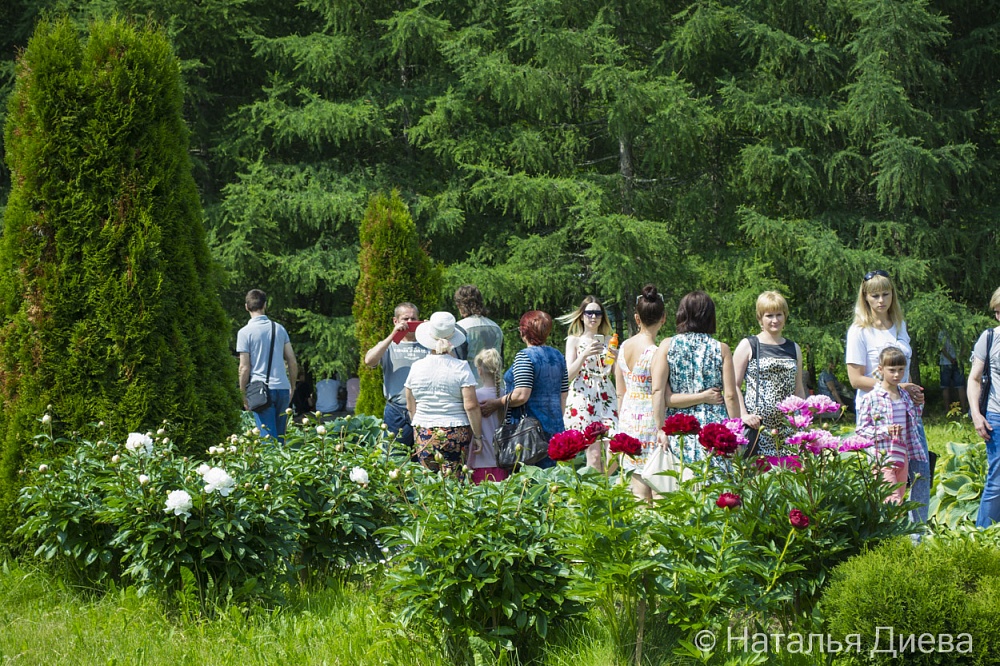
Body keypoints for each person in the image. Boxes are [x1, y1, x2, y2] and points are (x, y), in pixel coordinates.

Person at [845, 269, 929, 523]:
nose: (881, 300)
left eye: (886, 294)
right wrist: (899, 387)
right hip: (878, 413)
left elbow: (901, 369)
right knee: (885, 475)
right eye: (875, 296)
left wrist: (910, 389)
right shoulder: (859, 330)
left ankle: (918, 532)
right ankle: (884, 530)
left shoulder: (900, 325)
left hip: (906, 410)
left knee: (919, 469)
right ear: (866, 298)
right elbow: (856, 379)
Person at [653, 290, 741, 463]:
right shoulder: (721, 349)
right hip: (714, 428)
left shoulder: (667, 345)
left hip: (679, 427)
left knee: (681, 481)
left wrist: (660, 429)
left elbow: (657, 391)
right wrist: (735, 431)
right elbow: (730, 396)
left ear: (681, 315)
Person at [481, 311, 569, 468]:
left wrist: (496, 403)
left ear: (523, 331)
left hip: (529, 434)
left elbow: (521, 395)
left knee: (529, 483)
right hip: (555, 430)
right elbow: (563, 396)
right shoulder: (558, 356)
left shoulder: (525, 356)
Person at [404, 312, 483, 479]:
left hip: (424, 429)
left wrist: (417, 426)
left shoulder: (417, 367)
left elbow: (410, 405)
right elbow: (471, 406)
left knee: (429, 481)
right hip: (455, 429)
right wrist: (477, 435)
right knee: (455, 482)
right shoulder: (461, 367)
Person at [733, 291, 806, 455]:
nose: (775, 320)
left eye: (779, 314)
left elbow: (799, 389)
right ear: (760, 318)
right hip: (758, 430)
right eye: (769, 315)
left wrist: (801, 420)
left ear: (785, 316)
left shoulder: (794, 349)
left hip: (788, 431)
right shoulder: (748, 345)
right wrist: (743, 415)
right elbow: (733, 385)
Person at [856, 347, 927, 505]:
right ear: (881, 369)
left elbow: (914, 420)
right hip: (882, 457)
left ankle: (893, 529)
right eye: (892, 370)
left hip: (902, 455)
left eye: (901, 370)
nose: (896, 375)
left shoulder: (905, 396)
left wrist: (919, 403)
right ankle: (894, 528)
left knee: (899, 498)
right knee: (893, 502)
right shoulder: (871, 398)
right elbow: (861, 430)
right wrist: (884, 430)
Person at [615, 285, 666, 499]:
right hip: (650, 422)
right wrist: (661, 427)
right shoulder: (656, 352)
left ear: (637, 318)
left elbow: (620, 391)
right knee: (658, 483)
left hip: (627, 419)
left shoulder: (624, 346)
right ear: (663, 318)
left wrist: (622, 423)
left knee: (637, 488)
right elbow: (657, 391)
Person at [558, 295, 619, 470]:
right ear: (582, 315)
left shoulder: (609, 340)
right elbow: (568, 375)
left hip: (606, 393)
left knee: (614, 448)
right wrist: (584, 354)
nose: (593, 317)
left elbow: (615, 373)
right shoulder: (574, 340)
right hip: (583, 394)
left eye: (597, 313)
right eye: (589, 313)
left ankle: (604, 483)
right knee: (593, 454)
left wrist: (617, 360)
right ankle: (596, 493)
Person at [363, 302, 429, 448]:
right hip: (397, 410)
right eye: (406, 319)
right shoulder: (389, 345)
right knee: (394, 457)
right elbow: (369, 360)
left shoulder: (427, 345)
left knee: (426, 459)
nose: (410, 323)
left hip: (424, 409)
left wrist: (432, 333)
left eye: (414, 319)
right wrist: (393, 335)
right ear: (396, 321)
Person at [237, 289, 298, 443]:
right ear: (265, 305)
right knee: (281, 440)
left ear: (246, 307)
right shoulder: (279, 329)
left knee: (268, 441)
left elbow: (244, 368)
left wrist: (243, 394)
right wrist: (292, 386)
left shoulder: (245, 333)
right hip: (282, 388)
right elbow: (292, 360)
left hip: (260, 391)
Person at [968, 287, 1000, 527]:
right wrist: (977, 415)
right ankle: (982, 536)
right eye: (998, 312)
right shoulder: (989, 338)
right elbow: (974, 379)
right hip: (996, 417)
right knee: (997, 480)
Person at [467, 349, 510, 483]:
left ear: (479, 371)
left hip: (479, 460)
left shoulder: (475, 397)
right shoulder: (506, 395)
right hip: (502, 461)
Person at [454, 285, 504, 381]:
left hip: (470, 386)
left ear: (461, 305)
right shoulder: (497, 327)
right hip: (495, 387)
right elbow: (501, 361)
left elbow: (457, 363)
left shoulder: (459, 328)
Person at [939, 331, 968, 412]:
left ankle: (947, 409)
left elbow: (942, 348)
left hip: (945, 362)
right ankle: (964, 409)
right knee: (960, 386)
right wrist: (958, 357)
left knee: (945, 387)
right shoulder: (959, 331)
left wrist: (950, 359)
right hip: (957, 362)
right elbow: (964, 347)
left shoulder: (942, 333)